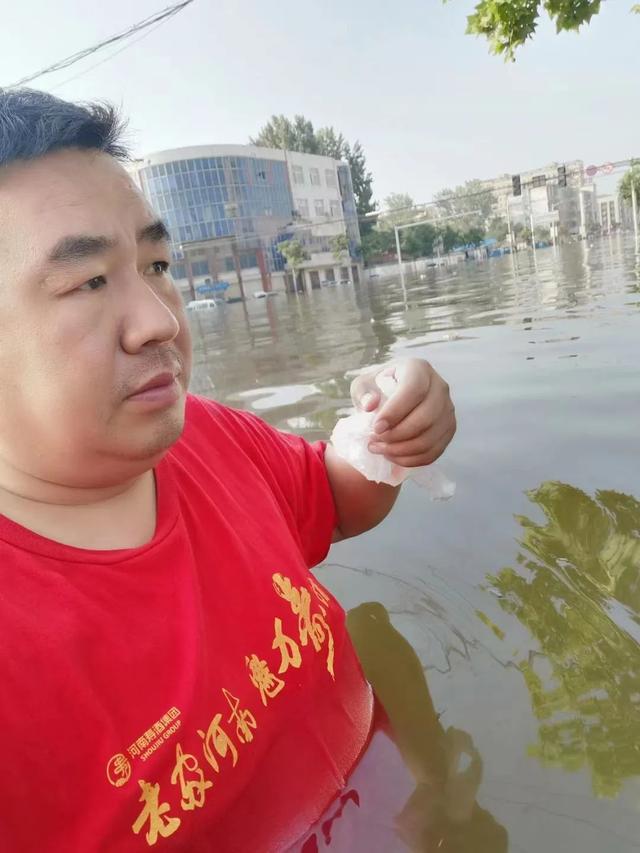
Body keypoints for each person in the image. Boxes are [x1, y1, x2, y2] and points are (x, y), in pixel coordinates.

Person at [0, 89, 456, 852]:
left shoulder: (206, 437)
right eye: (88, 281)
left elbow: (337, 500)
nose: (161, 319)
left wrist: (388, 429)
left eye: (157, 264)